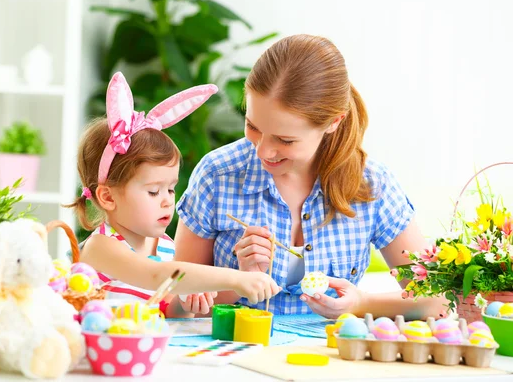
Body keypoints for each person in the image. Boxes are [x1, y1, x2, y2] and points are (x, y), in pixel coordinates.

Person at [174, 35, 445, 319]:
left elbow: (436, 299)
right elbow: (172, 303)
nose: (263, 150)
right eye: (253, 126)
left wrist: (361, 304)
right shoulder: (218, 174)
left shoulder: (372, 185)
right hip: (233, 355)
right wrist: (239, 282)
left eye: (285, 139)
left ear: (333, 122)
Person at [66, 72, 281, 318]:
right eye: (154, 191)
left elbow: (167, 311)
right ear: (108, 197)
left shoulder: (164, 247)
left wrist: (186, 306)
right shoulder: (101, 247)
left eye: (170, 188)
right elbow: (156, 275)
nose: (168, 200)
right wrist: (237, 277)